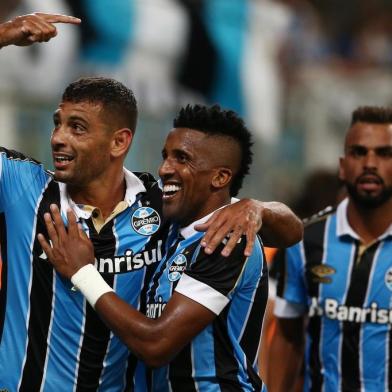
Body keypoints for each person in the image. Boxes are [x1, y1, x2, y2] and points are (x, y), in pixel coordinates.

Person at [0, 15, 303, 390]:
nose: (58, 138)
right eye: (56, 123)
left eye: (76, 127)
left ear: (119, 142)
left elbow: (290, 231)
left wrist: (256, 207)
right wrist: (3, 36)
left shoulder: (160, 205)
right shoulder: (19, 186)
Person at [39, 104, 269, 391]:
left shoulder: (227, 240)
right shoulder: (172, 230)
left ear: (220, 178)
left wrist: (83, 272)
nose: (164, 169)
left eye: (182, 159)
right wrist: (259, 207)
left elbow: (156, 343)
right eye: (166, 156)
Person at [268, 106, 392, 392]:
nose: (370, 163)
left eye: (384, 153)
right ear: (342, 165)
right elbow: (287, 338)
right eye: (359, 152)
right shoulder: (304, 240)